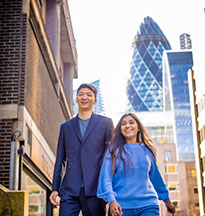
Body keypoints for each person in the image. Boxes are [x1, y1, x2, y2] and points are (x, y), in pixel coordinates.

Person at [49, 83, 114, 216]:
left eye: (89, 95)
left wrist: (110, 188)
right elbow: (60, 160)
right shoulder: (66, 127)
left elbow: (111, 157)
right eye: (81, 94)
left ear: (95, 100)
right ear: (76, 99)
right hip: (70, 188)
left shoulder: (105, 123)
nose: (84, 97)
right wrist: (55, 188)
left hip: (95, 188)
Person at [97, 113, 176, 216]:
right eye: (123, 124)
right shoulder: (113, 150)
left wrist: (167, 201)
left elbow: (155, 177)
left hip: (148, 206)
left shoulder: (147, 150)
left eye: (131, 122)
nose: (127, 126)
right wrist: (112, 200)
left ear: (138, 127)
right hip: (120, 207)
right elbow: (106, 177)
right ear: (120, 129)